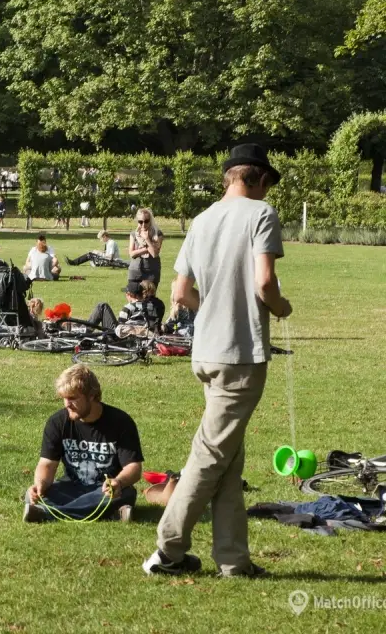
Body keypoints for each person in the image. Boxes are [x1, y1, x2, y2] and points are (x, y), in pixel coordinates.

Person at [144, 144, 290, 579]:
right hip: (240, 354)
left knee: (228, 458)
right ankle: (167, 551)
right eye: (267, 184)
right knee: (209, 456)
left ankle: (233, 560)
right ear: (258, 178)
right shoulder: (260, 214)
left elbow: (179, 294)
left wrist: (212, 307)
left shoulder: (202, 221)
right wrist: (281, 308)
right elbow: (265, 283)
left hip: (205, 351)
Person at [25, 364, 142, 523]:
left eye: (73, 398)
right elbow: (47, 464)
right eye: (64, 398)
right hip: (71, 487)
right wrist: (40, 485)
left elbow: (133, 468)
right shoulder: (57, 422)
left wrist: (118, 482)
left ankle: (46, 513)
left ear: (92, 395)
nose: (67, 404)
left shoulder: (120, 422)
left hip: (105, 490)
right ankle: (112, 514)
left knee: (125, 494)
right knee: (33, 494)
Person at [128, 207, 164, 289]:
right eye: (140, 222)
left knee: (150, 299)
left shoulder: (157, 234)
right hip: (135, 271)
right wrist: (149, 248)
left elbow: (154, 254)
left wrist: (147, 239)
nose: (143, 224)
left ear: (150, 220)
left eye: (146, 221)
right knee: (134, 298)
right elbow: (132, 254)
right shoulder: (134, 234)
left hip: (152, 271)